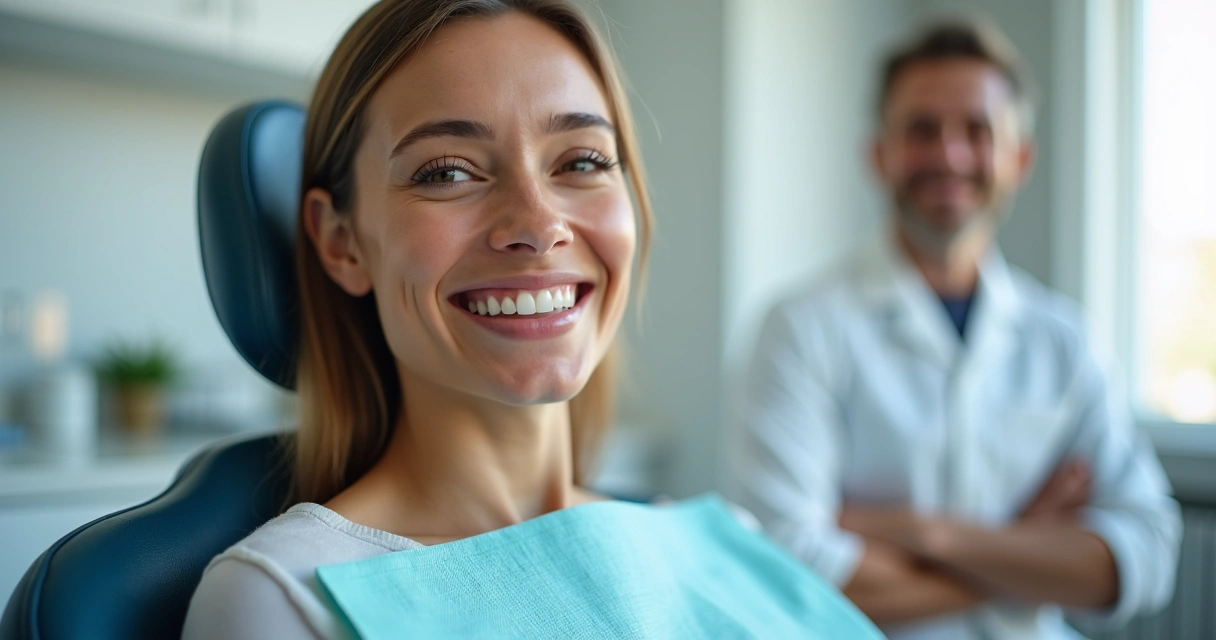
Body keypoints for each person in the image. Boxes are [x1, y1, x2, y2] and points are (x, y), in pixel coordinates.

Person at [182, 1, 882, 638]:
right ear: (341, 242)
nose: (538, 225)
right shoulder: (280, 600)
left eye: (581, 161)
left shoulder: (722, 538)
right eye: (447, 172)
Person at [732, 18, 1182, 640]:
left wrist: (927, 535)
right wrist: (1028, 545)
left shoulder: (1065, 339)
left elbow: (1144, 557)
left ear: (1019, 158)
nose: (949, 154)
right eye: (922, 130)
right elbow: (787, 566)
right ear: (879, 154)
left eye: (978, 130)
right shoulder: (801, 329)